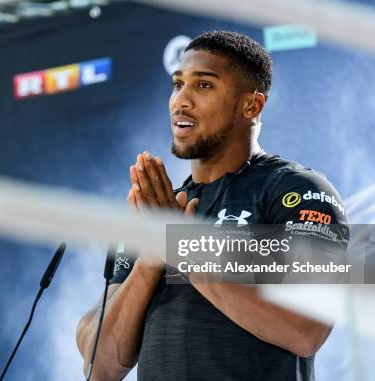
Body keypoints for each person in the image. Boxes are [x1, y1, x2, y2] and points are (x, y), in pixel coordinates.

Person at [76, 30, 349, 381]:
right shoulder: (157, 212)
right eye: (177, 85)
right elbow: (100, 368)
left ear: (251, 105)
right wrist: (150, 262)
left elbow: (306, 330)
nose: (180, 101)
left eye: (203, 86)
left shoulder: (297, 191)